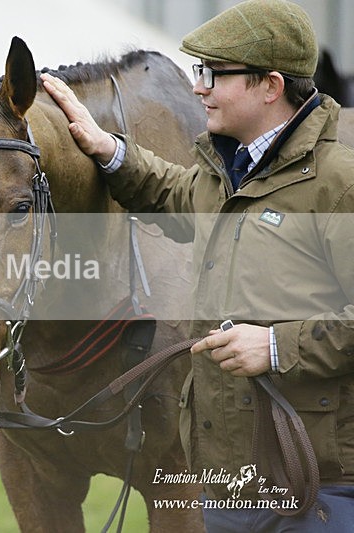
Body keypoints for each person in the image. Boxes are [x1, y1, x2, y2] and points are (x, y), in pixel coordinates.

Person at [41, 1, 354, 531]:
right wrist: (104, 147)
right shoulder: (222, 172)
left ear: (270, 86)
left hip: (319, 484)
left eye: (213, 74)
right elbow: (170, 191)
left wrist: (276, 346)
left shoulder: (338, 184)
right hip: (227, 482)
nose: (197, 88)